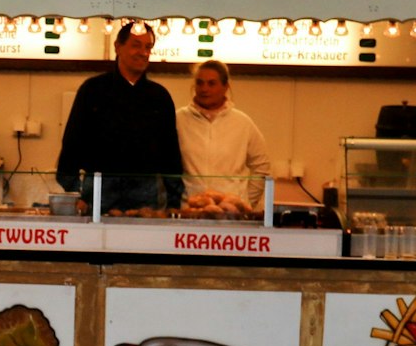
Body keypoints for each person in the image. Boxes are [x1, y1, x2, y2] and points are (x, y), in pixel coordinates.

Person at [55, 21, 185, 212]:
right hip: (99, 190)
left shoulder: (160, 97)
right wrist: (75, 193)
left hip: (146, 192)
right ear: (118, 47)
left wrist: (174, 203)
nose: (143, 52)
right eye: (136, 45)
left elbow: (170, 155)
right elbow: (72, 145)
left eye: (148, 47)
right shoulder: (92, 90)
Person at [176, 59, 272, 208]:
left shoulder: (242, 123)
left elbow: (261, 167)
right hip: (191, 209)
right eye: (200, 83)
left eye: (211, 83)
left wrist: (244, 201)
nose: (204, 89)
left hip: (230, 214)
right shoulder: (179, 120)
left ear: (225, 86)